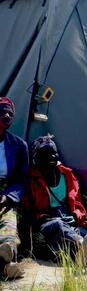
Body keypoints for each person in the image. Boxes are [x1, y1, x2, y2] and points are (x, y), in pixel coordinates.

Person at [25, 136, 87, 267]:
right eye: (45, 154)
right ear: (36, 158)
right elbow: (30, 210)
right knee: (58, 227)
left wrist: (75, 216)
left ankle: (84, 251)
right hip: (46, 219)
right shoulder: (31, 179)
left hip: (68, 216)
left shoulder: (67, 175)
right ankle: (84, 247)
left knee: (78, 230)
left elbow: (79, 205)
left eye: (54, 153)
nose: (51, 157)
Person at [0, 98, 29, 280]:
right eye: (2, 111)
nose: (7, 115)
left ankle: (6, 252)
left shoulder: (19, 146)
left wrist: (9, 197)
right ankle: (5, 268)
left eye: (10, 112)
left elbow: (23, 180)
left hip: (5, 194)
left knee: (8, 224)